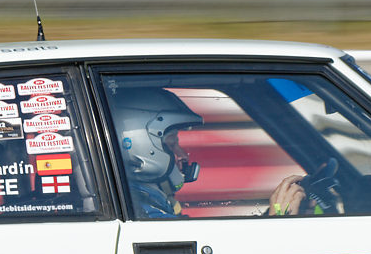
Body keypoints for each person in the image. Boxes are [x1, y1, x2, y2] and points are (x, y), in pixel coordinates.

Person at [111, 86, 310, 219]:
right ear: (138, 145)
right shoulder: (144, 212)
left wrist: (270, 216)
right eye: (172, 143)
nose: (183, 155)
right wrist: (279, 217)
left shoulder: (140, 203)